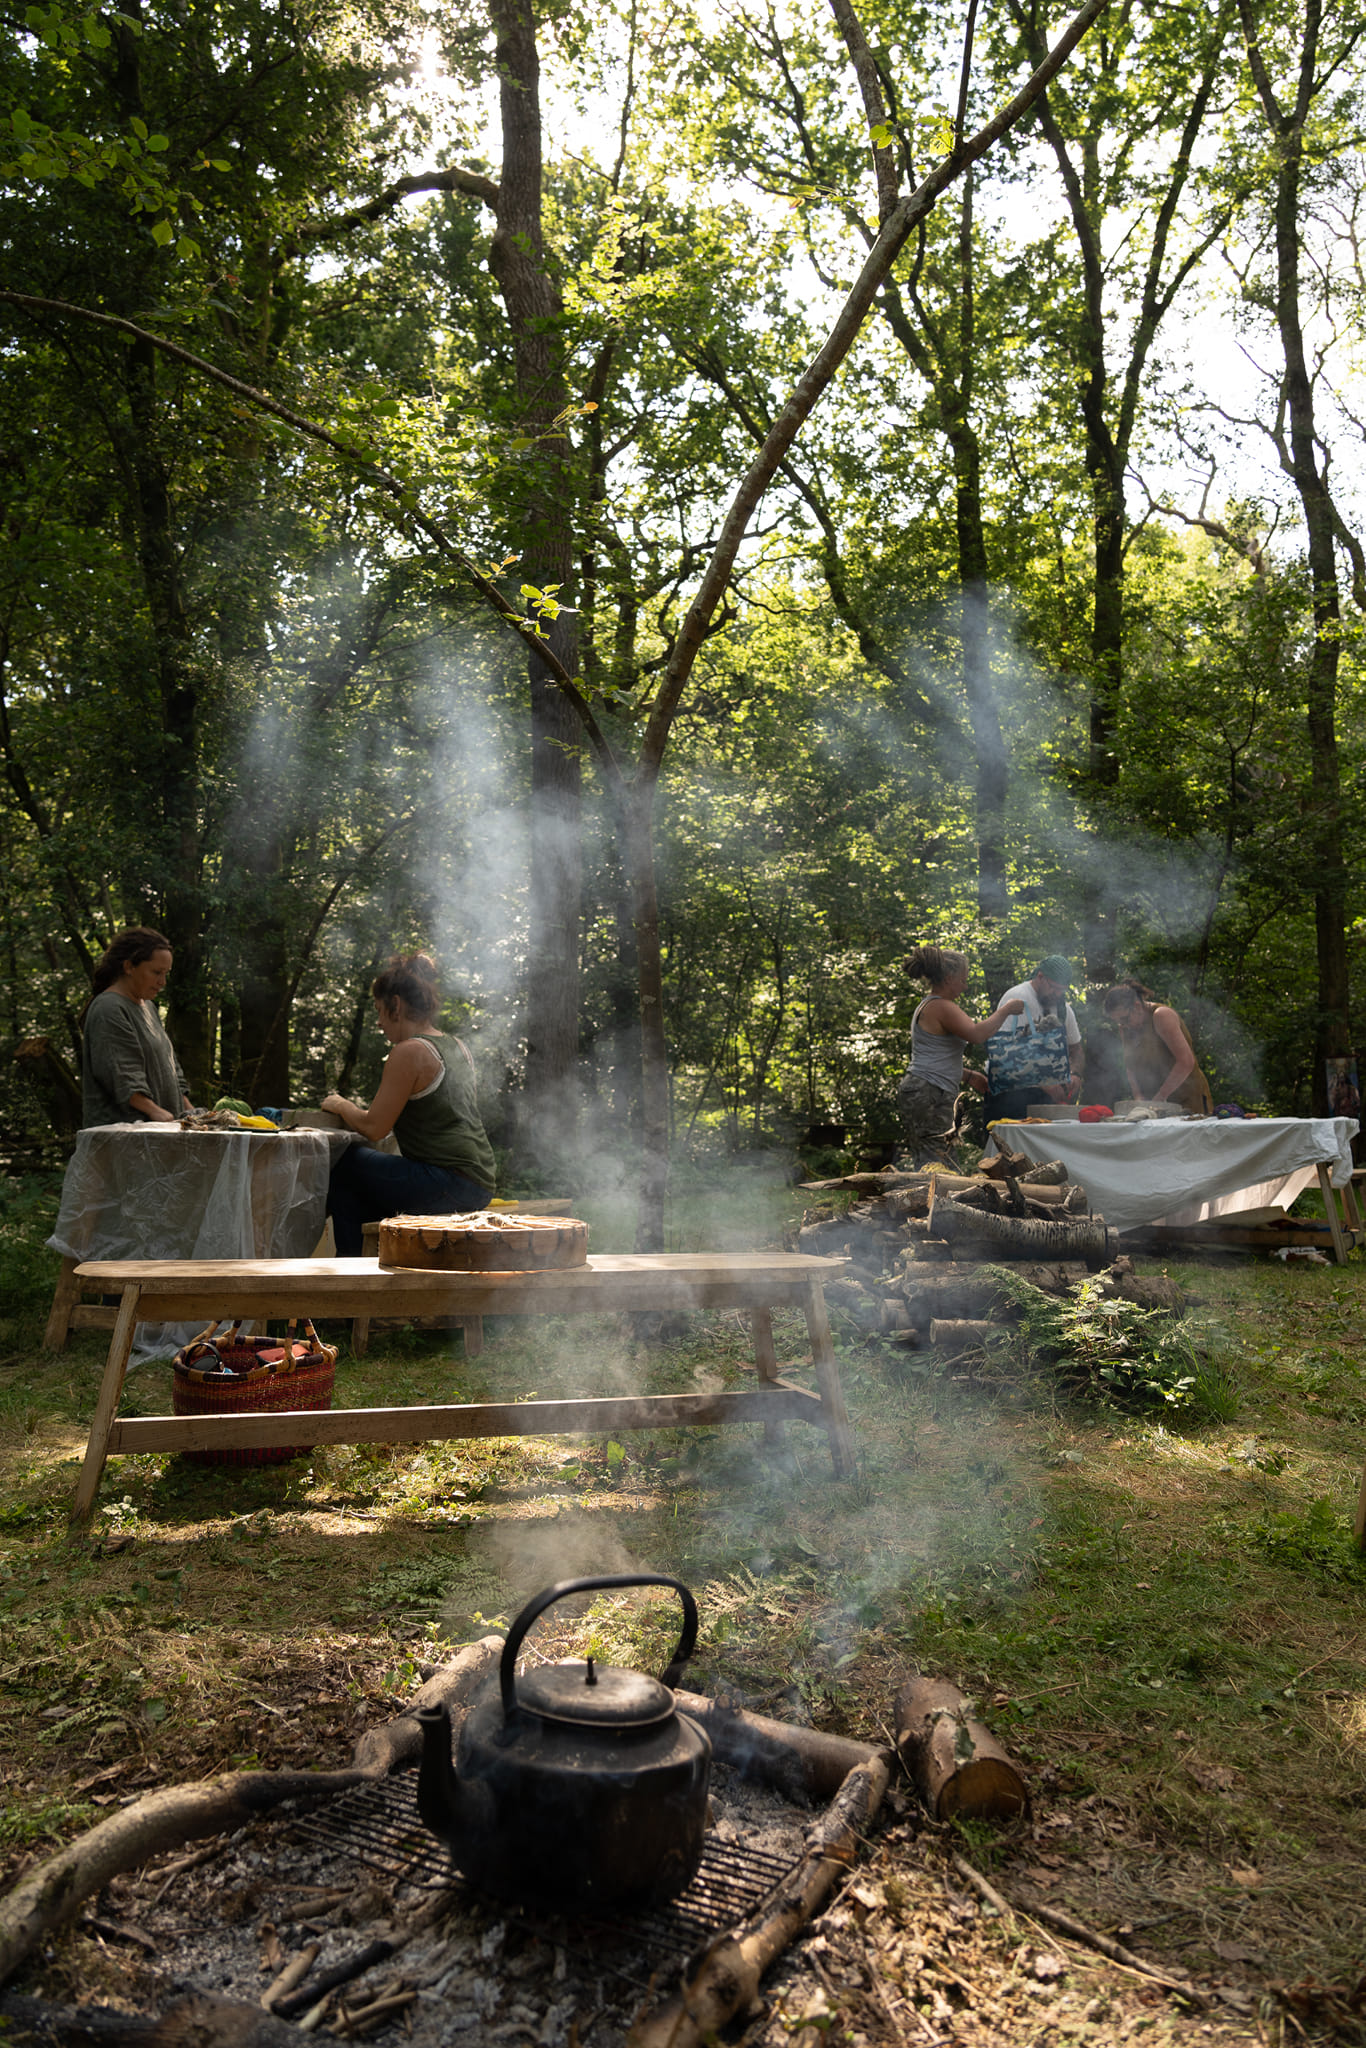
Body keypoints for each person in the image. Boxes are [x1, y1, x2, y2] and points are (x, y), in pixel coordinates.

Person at [322, 953, 497, 1255]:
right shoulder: (457, 1046)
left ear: (397, 1005)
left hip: (448, 1182)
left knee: (345, 1163)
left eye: (379, 1010)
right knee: (357, 1190)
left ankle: (347, 1271)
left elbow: (375, 1127)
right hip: (479, 1182)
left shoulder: (408, 1052)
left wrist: (340, 1104)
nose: (378, 1022)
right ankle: (370, 1267)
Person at [896, 946, 1026, 1165]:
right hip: (928, 1090)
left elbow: (935, 1056)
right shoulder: (941, 1006)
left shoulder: (932, 1005)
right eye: (963, 981)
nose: (965, 987)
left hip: (924, 1087)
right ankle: (932, 1197)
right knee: (937, 1157)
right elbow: (976, 1034)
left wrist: (967, 1075)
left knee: (937, 1155)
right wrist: (1005, 1010)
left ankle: (931, 1196)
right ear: (948, 979)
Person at [81, 927, 194, 1127]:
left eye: (166, 973)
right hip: (124, 1136)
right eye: (156, 972)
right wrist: (155, 1112)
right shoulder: (109, 1008)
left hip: (158, 1133)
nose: (162, 982)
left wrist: (188, 1110)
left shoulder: (149, 1007)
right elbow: (121, 1073)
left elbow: (170, 1067)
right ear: (129, 967)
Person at [983, 955, 1085, 1127]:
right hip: (1010, 1095)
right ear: (1040, 977)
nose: (1058, 994)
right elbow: (1003, 1054)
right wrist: (1045, 1084)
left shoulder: (1063, 1009)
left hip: (1045, 1098)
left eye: (1062, 990)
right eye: (1054, 988)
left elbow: (1076, 1049)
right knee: (1007, 1151)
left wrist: (1075, 1074)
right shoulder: (1018, 998)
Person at [1102, 978, 1213, 1114]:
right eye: (1118, 1022)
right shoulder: (1125, 1027)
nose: (1124, 1025)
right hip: (1155, 1102)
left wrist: (1161, 1096)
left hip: (1187, 1098)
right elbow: (1129, 1065)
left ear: (1137, 1006)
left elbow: (1186, 1062)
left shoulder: (1161, 1016)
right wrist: (1138, 1096)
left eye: (1125, 1019)